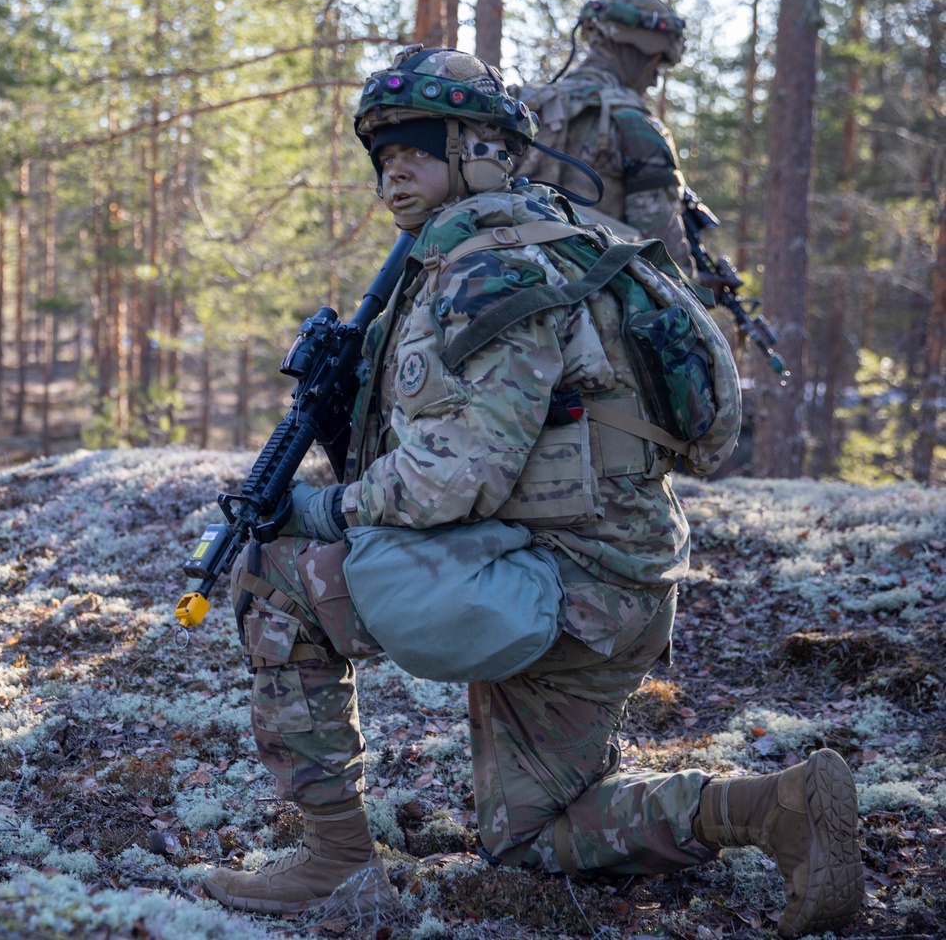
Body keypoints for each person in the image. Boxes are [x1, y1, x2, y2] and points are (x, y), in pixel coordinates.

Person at [202, 45, 863, 939]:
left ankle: (332, 863)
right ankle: (770, 810)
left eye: (419, 143)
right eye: (382, 150)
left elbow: (451, 477)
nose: (395, 164)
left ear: (482, 149)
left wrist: (317, 510)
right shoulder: (580, 242)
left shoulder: (488, 272)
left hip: (553, 586)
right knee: (531, 836)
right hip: (616, 590)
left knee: (274, 572)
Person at [509, 0, 706, 283]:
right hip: (587, 308)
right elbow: (665, 258)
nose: (654, 79)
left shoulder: (523, 107)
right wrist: (697, 288)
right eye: (655, 63)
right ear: (637, 54)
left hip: (499, 282)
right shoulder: (635, 125)